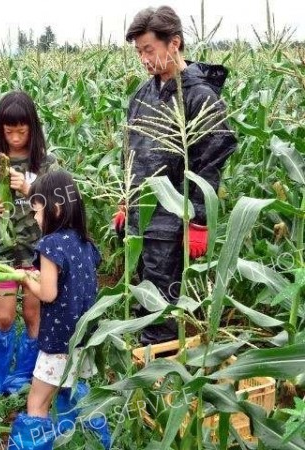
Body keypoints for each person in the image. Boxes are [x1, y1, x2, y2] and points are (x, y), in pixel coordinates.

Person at [114, 6, 237, 345]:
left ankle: (162, 382)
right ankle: (146, 362)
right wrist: (127, 200)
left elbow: (208, 164)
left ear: (174, 44)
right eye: (139, 52)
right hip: (141, 218)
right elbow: (132, 152)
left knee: (162, 307)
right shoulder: (142, 94)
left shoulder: (201, 97)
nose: (143, 59)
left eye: (148, 50)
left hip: (171, 223)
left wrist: (198, 222)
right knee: (143, 295)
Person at [8, 170, 111, 450]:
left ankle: (33, 445)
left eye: (37, 213)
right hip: (83, 339)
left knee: (38, 402)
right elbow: (75, 282)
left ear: (54, 209)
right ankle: (93, 442)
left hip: (57, 343)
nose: (36, 220)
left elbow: (49, 293)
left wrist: (25, 278)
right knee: (73, 393)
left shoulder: (49, 245)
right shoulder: (86, 243)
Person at [0, 90, 59, 406]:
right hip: (3, 253)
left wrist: (31, 188)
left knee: (33, 314)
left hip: (37, 252)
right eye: (9, 132)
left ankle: (23, 374)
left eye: (22, 131)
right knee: (5, 317)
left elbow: (61, 207)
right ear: (0, 130)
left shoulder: (47, 165)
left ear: (33, 128)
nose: (16, 137)